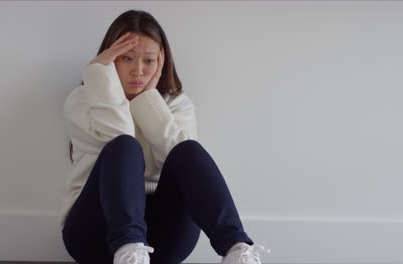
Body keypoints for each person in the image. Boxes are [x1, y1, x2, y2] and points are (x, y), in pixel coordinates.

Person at [60, 9, 271, 264]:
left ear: (161, 63)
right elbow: (118, 140)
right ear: (109, 59)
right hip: (93, 232)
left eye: (148, 60)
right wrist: (99, 77)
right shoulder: (83, 100)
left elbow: (182, 163)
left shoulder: (177, 104)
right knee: (125, 146)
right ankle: (129, 251)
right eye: (127, 58)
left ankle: (237, 249)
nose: (138, 70)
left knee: (188, 150)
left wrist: (148, 100)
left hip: (161, 238)